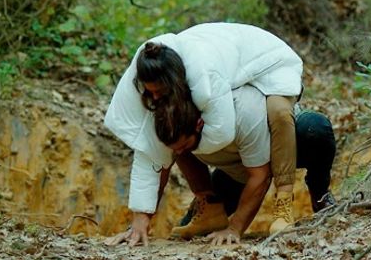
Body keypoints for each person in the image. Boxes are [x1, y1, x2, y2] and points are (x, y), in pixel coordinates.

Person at [102, 23, 304, 246]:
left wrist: (235, 228)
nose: (156, 98)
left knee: (279, 111)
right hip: (231, 67)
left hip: (269, 64)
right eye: (151, 92)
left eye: (159, 92)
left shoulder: (205, 76)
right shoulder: (163, 92)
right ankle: (210, 208)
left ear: (174, 82)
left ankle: (284, 201)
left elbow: (222, 131)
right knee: (176, 139)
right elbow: (150, 152)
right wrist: (139, 221)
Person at [157, 87, 338, 245]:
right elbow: (158, 163)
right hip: (238, 166)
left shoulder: (242, 103)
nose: (179, 152)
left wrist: (235, 228)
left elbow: (260, 175)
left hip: (285, 140)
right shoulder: (180, 115)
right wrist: (140, 218)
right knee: (185, 234)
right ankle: (206, 207)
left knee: (316, 129)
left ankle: (320, 195)